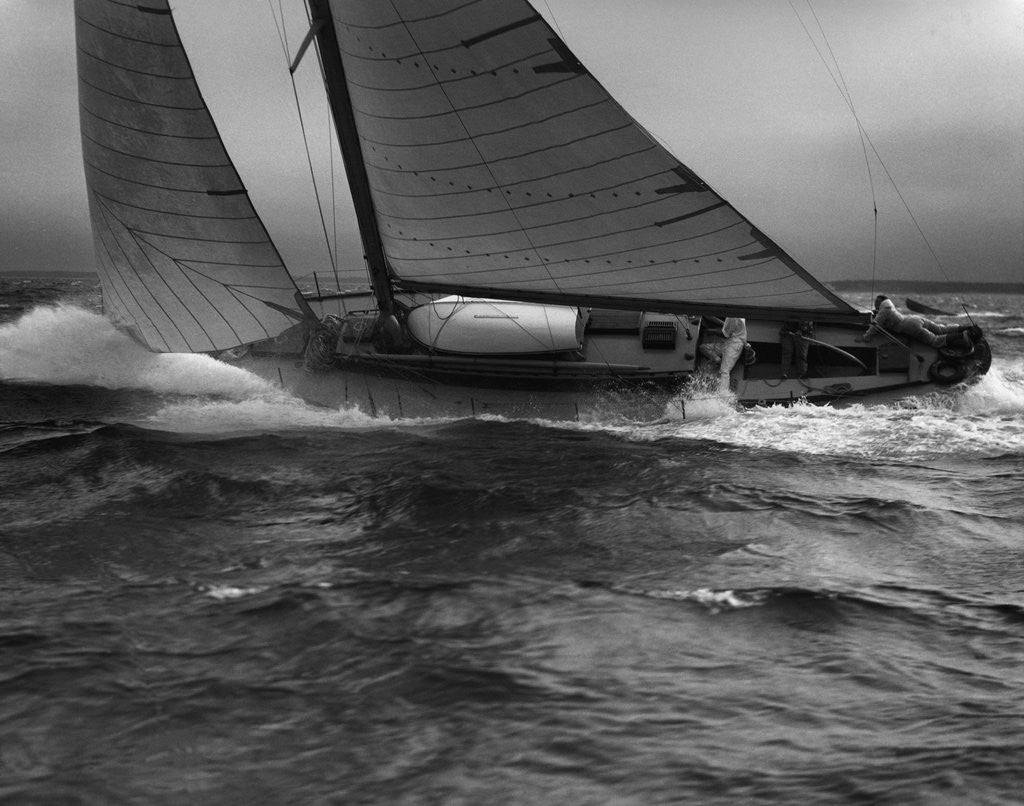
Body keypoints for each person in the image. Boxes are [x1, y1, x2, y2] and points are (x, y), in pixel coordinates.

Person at [858, 295, 970, 349]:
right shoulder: (888, 307)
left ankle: (961, 335)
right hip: (915, 319)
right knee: (940, 329)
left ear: (881, 302)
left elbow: (876, 325)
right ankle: (966, 328)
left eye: (876, 302)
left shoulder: (884, 310)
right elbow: (883, 317)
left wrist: (865, 337)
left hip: (910, 326)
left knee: (935, 341)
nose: (875, 304)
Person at [699, 317, 747, 392]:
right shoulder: (734, 316)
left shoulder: (732, 317)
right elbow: (724, 324)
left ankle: (723, 394)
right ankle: (719, 361)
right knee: (703, 347)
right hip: (728, 342)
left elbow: (724, 334)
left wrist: (711, 331)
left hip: (735, 345)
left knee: (725, 371)